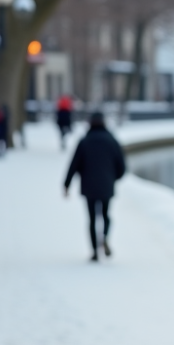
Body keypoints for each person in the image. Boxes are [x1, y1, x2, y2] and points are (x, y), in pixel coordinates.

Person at [63, 111, 126, 261]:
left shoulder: (84, 141)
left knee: (91, 219)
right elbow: (122, 166)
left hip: (88, 186)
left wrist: (66, 184)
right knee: (106, 216)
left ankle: (94, 252)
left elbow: (74, 164)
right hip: (106, 185)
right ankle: (104, 237)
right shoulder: (112, 141)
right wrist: (113, 178)